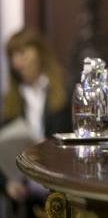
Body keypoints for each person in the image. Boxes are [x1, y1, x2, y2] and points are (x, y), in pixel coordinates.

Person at [1, 28, 71, 216]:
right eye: (12, 56)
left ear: (39, 52)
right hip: (25, 199)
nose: (16, 62)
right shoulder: (11, 99)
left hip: (60, 192)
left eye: (21, 53)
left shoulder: (67, 89)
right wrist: (7, 183)